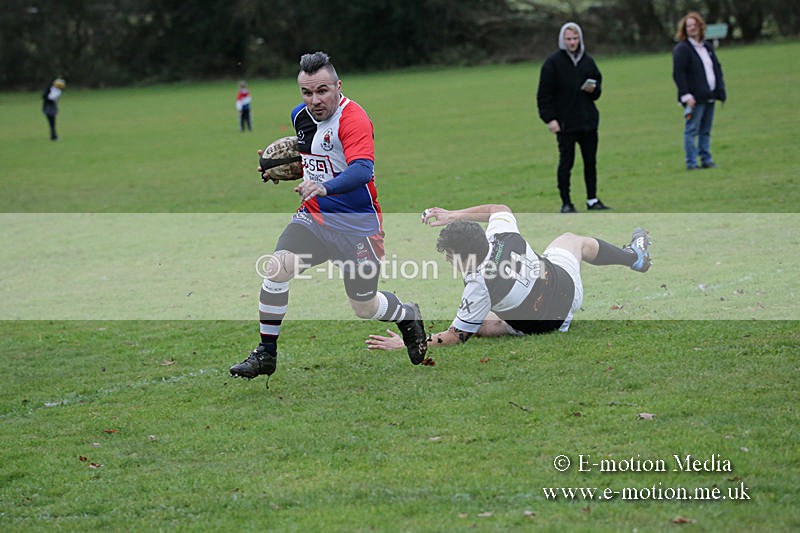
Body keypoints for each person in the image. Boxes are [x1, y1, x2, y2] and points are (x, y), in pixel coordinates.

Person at [230, 51, 427, 381]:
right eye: (307, 92)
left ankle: (407, 314)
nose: (315, 100)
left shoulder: (354, 120)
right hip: (314, 218)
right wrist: (276, 170)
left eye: (322, 91)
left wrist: (325, 188)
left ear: (338, 86)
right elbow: (310, 160)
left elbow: (362, 170)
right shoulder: (301, 117)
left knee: (364, 306)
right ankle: (266, 352)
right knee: (277, 267)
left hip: (357, 227)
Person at [365, 204, 651, 351]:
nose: (447, 260)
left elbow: (456, 336)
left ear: (463, 256)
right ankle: (633, 257)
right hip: (566, 287)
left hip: (545, 326)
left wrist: (409, 343)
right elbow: (498, 209)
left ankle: (634, 257)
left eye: (449, 255)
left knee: (473, 323)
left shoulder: (478, 286)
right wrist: (453, 215)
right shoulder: (502, 235)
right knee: (572, 240)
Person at [537, 23, 609, 214]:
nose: (572, 42)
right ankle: (566, 203)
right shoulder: (552, 63)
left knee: (590, 162)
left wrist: (594, 89)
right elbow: (544, 95)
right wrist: (550, 119)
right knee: (566, 163)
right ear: (563, 40)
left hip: (588, 122)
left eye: (575, 38)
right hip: (565, 124)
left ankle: (592, 199)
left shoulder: (588, 61)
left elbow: (597, 90)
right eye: (568, 39)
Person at [673, 11, 727, 170]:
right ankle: (691, 162)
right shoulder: (682, 49)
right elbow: (678, 74)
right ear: (684, 29)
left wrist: (720, 90)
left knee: (705, 130)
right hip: (694, 98)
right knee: (691, 130)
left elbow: (716, 68)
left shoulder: (707, 47)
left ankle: (706, 159)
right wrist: (686, 95)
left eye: (694, 25)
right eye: (689, 26)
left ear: (700, 27)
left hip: (709, 95)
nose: (692, 28)